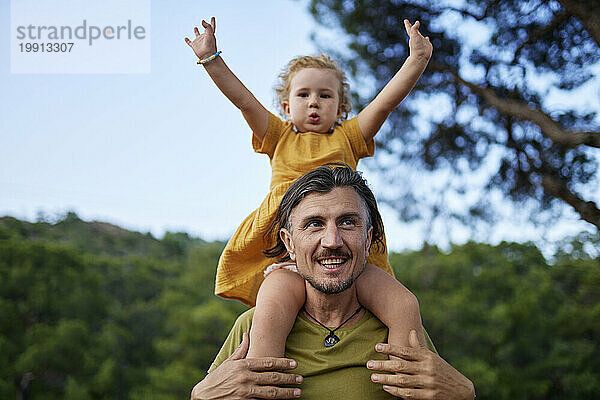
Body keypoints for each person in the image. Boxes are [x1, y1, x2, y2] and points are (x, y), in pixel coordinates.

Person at [184, 17, 433, 359]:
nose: (314, 102)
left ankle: (410, 378)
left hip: (346, 255)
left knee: (403, 303)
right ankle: (262, 379)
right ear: (286, 107)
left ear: (341, 108)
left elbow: (386, 102)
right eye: (303, 95)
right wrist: (211, 59)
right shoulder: (279, 135)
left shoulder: (350, 135)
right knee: (271, 309)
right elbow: (243, 100)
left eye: (325, 95)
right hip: (289, 255)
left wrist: (417, 60)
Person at [190, 164, 475, 399]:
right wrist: (200, 396)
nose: (332, 241)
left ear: (368, 239)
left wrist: (465, 394)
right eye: (314, 223)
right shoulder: (251, 328)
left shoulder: (399, 329)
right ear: (289, 243)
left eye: (348, 222)